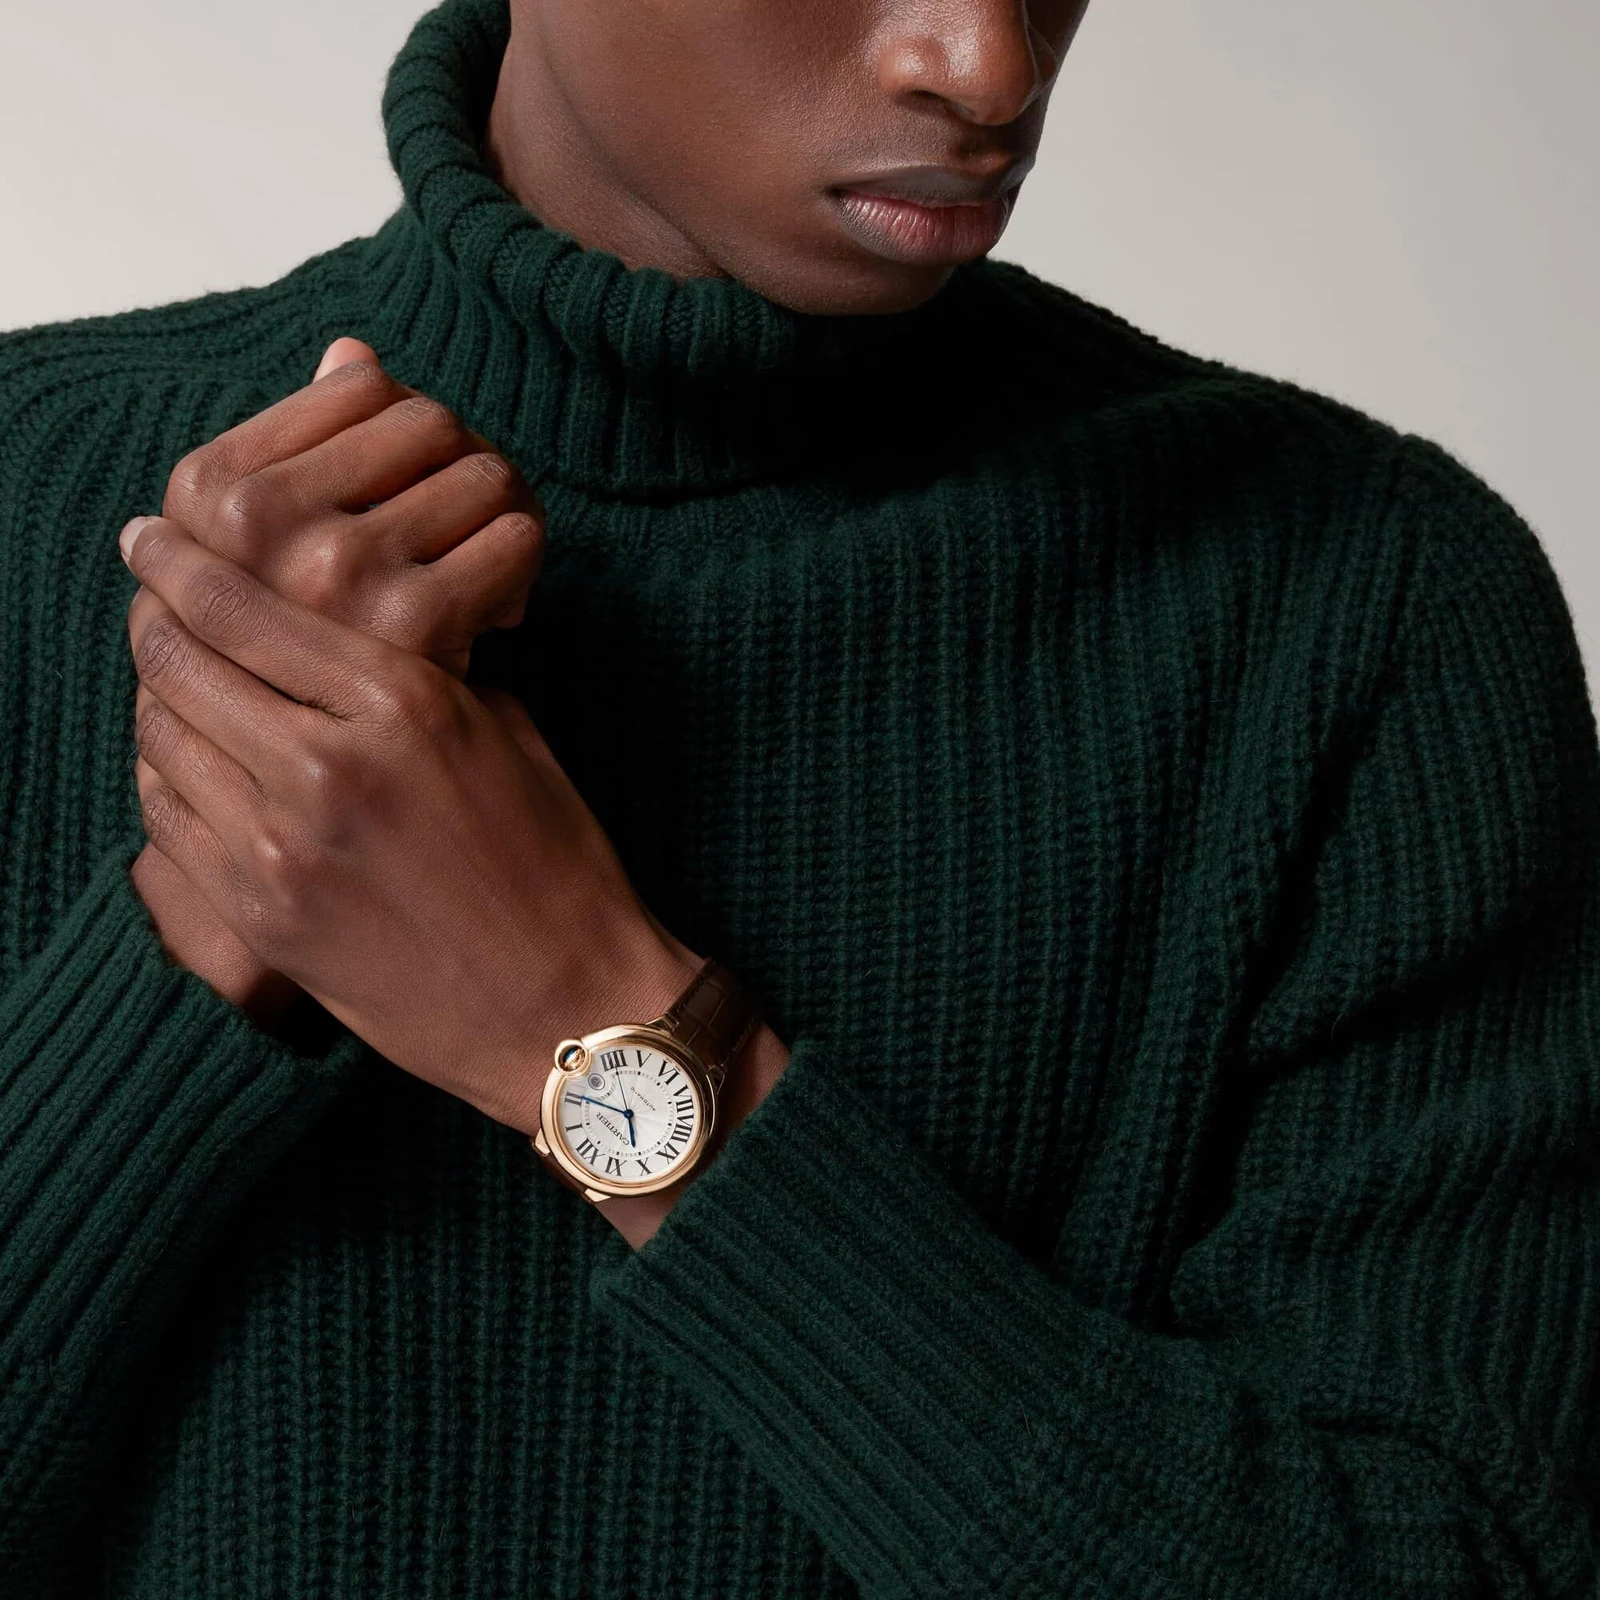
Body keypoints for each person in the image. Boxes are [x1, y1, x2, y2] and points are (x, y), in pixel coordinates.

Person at [0, 0, 1595, 1593]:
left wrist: (587, 1027)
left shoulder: (1362, 613)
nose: (991, 65)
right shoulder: (29, 494)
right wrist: (213, 902)